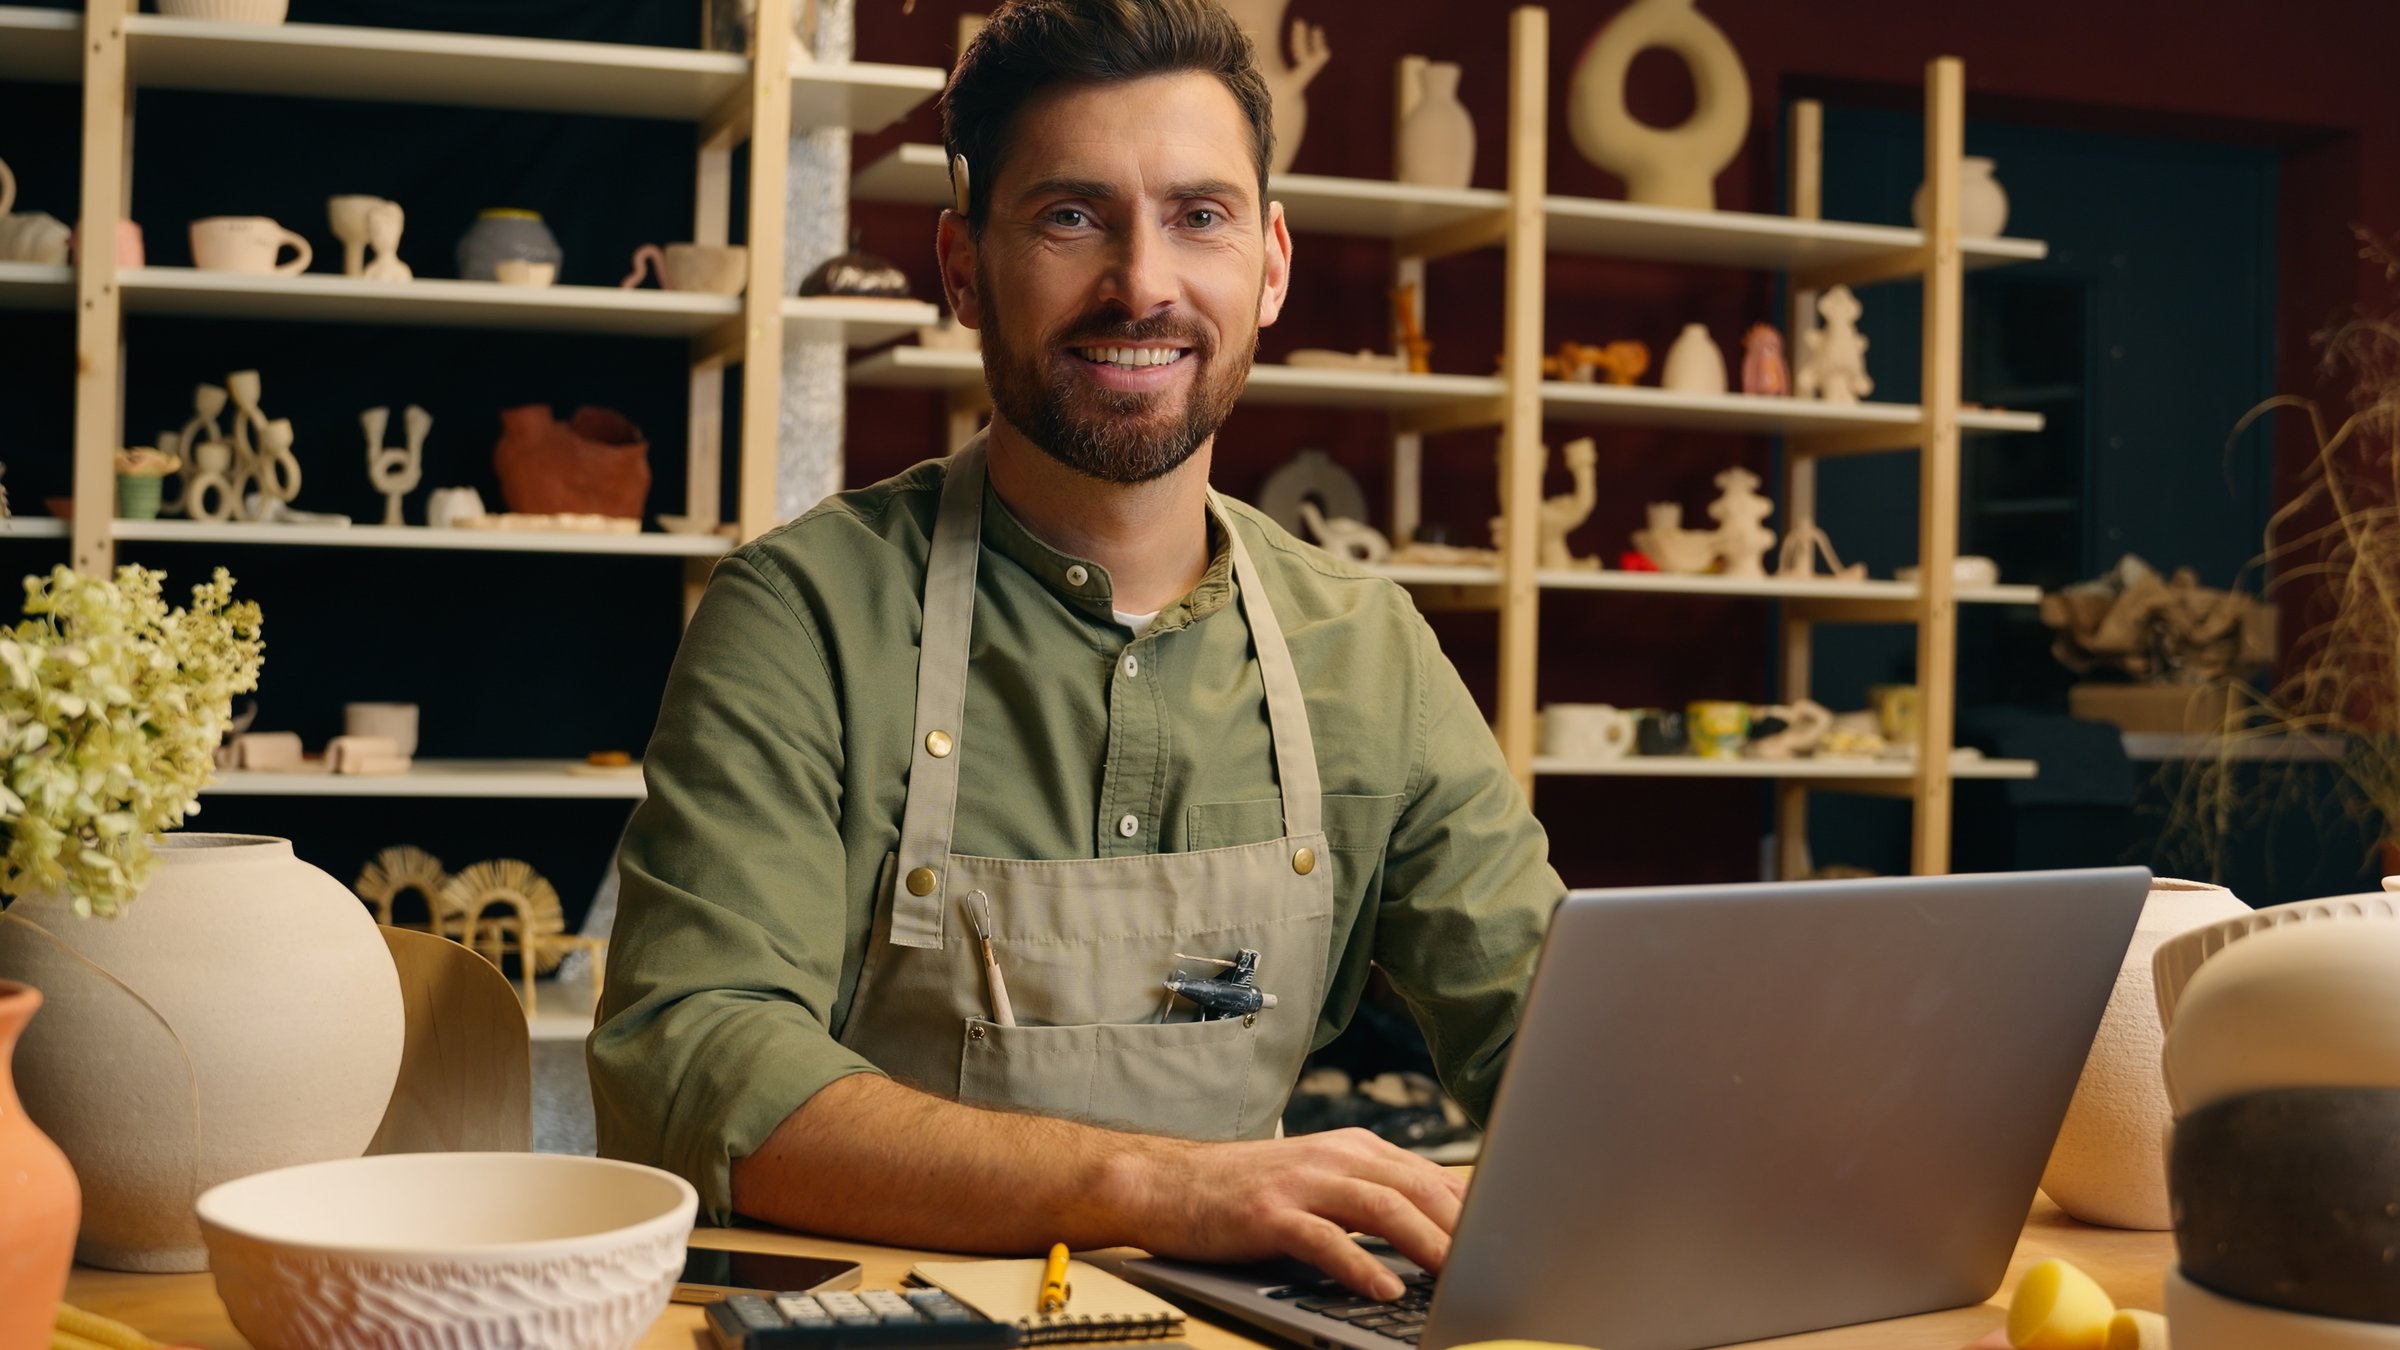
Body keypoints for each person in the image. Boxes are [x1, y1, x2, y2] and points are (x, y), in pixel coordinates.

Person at [589, 0, 1561, 1301]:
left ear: (1271, 265)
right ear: (960, 268)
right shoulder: (804, 614)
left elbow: (1563, 1050)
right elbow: (688, 1065)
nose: (1143, 283)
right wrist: (1163, 1187)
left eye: (1200, 216)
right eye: (1070, 217)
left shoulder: (1366, 649)